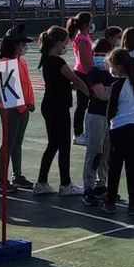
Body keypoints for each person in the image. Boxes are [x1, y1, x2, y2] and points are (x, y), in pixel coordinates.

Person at [34, 25, 87, 195]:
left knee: (54, 144)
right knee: (63, 145)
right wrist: (90, 93)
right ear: (57, 43)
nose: (65, 46)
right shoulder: (58, 62)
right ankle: (65, 184)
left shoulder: (46, 60)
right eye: (64, 43)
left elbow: (63, 83)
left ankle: (42, 182)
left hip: (50, 105)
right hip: (58, 107)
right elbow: (76, 80)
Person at [93, 47, 134, 213]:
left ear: (118, 67)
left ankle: (110, 201)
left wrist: (108, 127)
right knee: (133, 168)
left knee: (115, 165)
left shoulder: (117, 85)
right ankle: (133, 204)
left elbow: (111, 110)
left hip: (119, 127)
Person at [0, 30, 37, 190]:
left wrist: (30, 102)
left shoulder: (22, 61)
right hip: (11, 109)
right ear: (13, 45)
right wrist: (22, 107)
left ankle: (17, 175)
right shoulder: (6, 63)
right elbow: (10, 93)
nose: (24, 47)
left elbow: (27, 84)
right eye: (21, 44)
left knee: (17, 143)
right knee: (8, 143)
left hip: (23, 108)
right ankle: (2, 180)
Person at [81, 37, 115, 193]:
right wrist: (111, 92)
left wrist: (110, 92)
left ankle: (102, 184)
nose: (99, 58)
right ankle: (89, 186)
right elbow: (102, 95)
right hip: (96, 116)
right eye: (96, 54)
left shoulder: (112, 74)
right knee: (94, 152)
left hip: (109, 117)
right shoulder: (94, 73)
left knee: (106, 153)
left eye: (103, 54)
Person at [69, 12, 95, 142]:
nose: (92, 23)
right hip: (83, 74)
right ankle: (78, 134)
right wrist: (93, 73)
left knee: (84, 104)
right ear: (86, 24)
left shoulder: (84, 36)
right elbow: (85, 61)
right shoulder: (82, 39)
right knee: (82, 104)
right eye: (90, 21)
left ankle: (82, 132)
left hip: (84, 73)